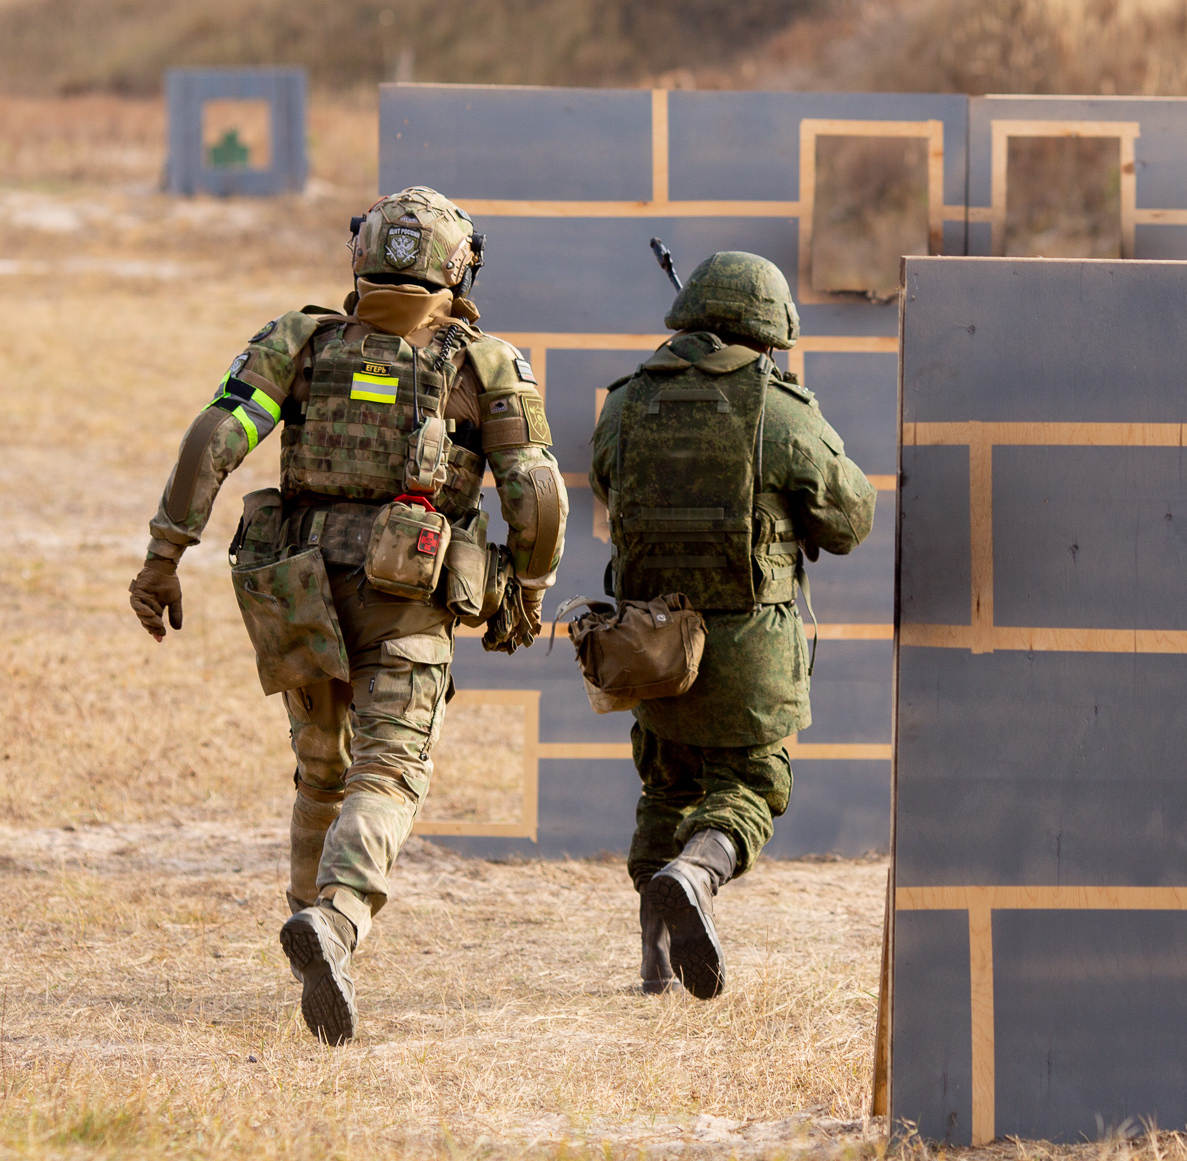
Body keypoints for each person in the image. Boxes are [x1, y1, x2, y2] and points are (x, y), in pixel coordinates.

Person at [126, 187, 566, 1043]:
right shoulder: (486, 366)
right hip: (405, 594)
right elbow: (536, 495)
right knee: (388, 774)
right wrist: (531, 590)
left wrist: (163, 556)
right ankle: (335, 919)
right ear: (458, 265)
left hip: (295, 583)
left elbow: (214, 439)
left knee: (321, 769)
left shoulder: (299, 341)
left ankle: (309, 929)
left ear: (361, 256)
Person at [590, 251, 875, 1000]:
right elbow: (850, 519)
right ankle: (694, 873)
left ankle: (653, 960)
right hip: (749, 649)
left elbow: (605, 485)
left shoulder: (625, 402)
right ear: (771, 329)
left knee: (665, 784)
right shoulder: (779, 409)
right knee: (749, 782)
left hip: (652, 644)